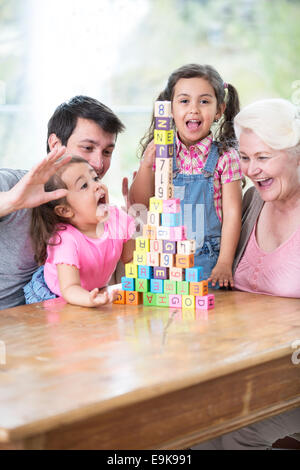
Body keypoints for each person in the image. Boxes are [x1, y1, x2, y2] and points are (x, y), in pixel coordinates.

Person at [193, 98, 300, 450]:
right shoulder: (253, 201)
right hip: (246, 367)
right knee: (196, 421)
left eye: (264, 157)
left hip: (292, 377)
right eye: (245, 158)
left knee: (241, 432)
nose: (251, 170)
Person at [0, 96, 125, 310]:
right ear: (56, 145)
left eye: (107, 152)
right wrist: (12, 200)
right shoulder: (13, 184)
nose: (98, 163)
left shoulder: (94, 208)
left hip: (52, 320)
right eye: (87, 147)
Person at [129, 64, 242, 286]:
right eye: (184, 101)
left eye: (204, 101)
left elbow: (232, 214)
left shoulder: (226, 158)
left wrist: (224, 263)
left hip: (209, 264)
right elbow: (140, 203)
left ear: (219, 110)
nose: (194, 109)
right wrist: (145, 166)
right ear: (170, 109)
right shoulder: (162, 152)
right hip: (166, 262)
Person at [28, 156, 135, 307]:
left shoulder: (118, 220)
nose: (97, 185)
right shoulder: (65, 240)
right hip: (54, 295)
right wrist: (89, 299)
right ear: (65, 210)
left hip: (91, 291)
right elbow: (70, 288)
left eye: (95, 178)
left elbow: (130, 260)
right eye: (84, 185)